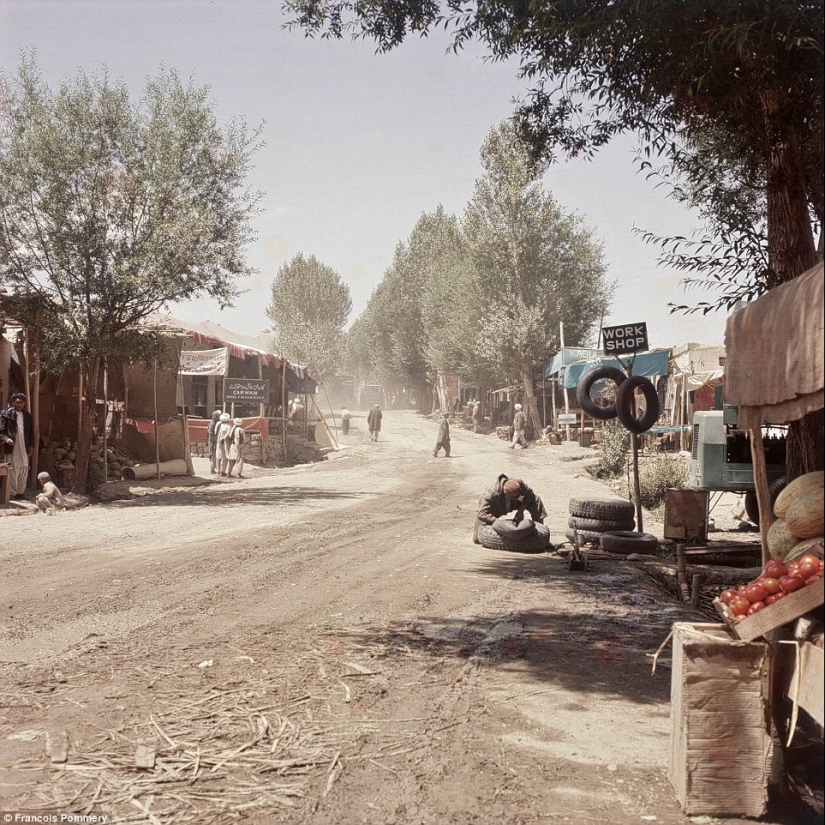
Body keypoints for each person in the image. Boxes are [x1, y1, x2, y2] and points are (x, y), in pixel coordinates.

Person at [473, 475, 547, 544]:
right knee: (477, 539)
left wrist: (521, 509)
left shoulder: (519, 483)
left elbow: (529, 494)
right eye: (515, 497)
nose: (518, 497)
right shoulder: (490, 493)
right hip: (496, 508)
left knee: (536, 499)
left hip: (514, 504)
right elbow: (482, 513)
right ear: (504, 493)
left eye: (519, 495)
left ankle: (539, 531)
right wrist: (500, 523)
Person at [0, 392, 35, 500]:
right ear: (13, 402)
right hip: (12, 447)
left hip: (24, 446)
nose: (18, 404)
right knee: (13, 468)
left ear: (24, 403)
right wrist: (6, 439)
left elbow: (31, 432)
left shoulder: (28, 416)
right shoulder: (6, 414)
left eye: (20, 402)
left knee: (24, 467)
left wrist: (31, 445)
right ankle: (12, 492)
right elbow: (1, 431)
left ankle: (20, 492)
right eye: (16, 402)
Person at [207, 408, 223, 474]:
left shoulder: (214, 422)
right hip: (212, 442)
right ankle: (212, 469)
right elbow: (211, 433)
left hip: (213, 441)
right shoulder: (212, 423)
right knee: (213, 455)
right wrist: (214, 441)